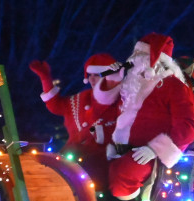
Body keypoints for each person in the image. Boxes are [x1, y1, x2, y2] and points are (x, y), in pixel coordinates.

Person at [108, 33, 194, 201]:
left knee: (123, 175)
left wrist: (155, 149)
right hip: (123, 149)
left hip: (151, 156)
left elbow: (187, 128)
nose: (133, 61)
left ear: (155, 61)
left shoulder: (175, 87)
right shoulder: (133, 86)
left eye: (139, 57)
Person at [29, 54, 124, 191]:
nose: (91, 78)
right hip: (72, 156)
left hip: (103, 161)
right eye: (89, 74)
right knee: (51, 174)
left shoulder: (121, 101)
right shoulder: (82, 98)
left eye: (97, 74)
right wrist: (45, 79)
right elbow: (56, 106)